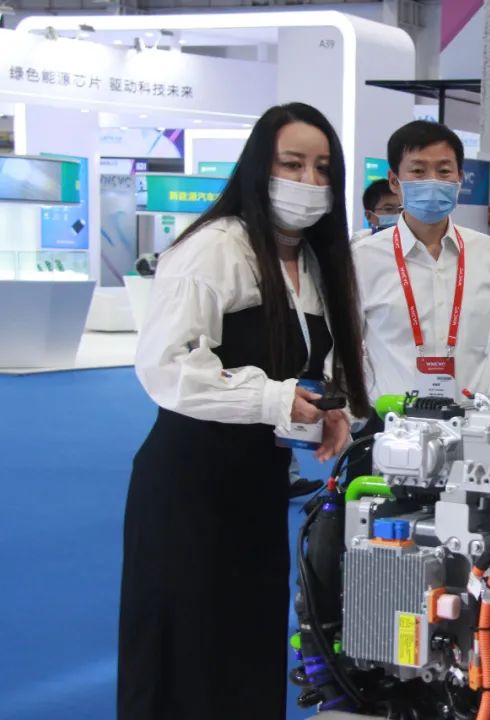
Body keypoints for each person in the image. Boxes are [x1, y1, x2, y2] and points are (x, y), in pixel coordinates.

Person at [118, 102, 368, 719]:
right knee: (186, 651)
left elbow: (305, 365)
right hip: (189, 486)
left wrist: (326, 408)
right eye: (292, 164)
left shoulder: (314, 261)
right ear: (259, 166)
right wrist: (273, 399)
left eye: (322, 168)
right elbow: (167, 365)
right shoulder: (214, 248)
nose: (309, 181)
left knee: (247, 645)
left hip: (259, 485)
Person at [353, 120, 490, 402]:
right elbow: (347, 348)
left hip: (470, 418)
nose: (432, 181)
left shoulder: (489, 252)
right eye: (418, 171)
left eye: (444, 171)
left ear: (459, 178)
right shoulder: (363, 258)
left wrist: (472, 395)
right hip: (393, 419)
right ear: (394, 181)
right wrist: (375, 395)